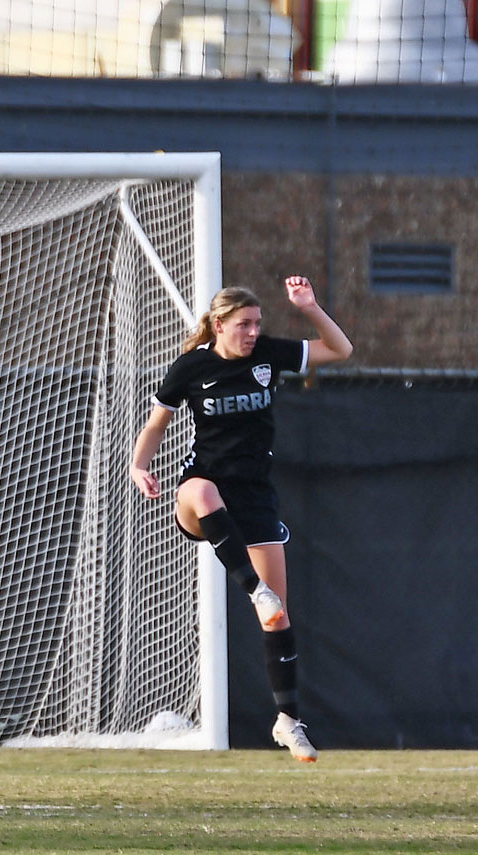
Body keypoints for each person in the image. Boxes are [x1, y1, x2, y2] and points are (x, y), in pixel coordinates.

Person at [129, 276, 353, 761]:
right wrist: (138, 466)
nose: (252, 332)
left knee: (278, 620)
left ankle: (289, 722)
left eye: (256, 324)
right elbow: (155, 425)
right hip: (199, 493)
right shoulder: (191, 367)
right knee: (205, 491)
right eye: (243, 325)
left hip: (255, 499)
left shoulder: (269, 355)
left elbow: (340, 349)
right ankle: (255, 589)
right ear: (218, 325)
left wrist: (310, 307)